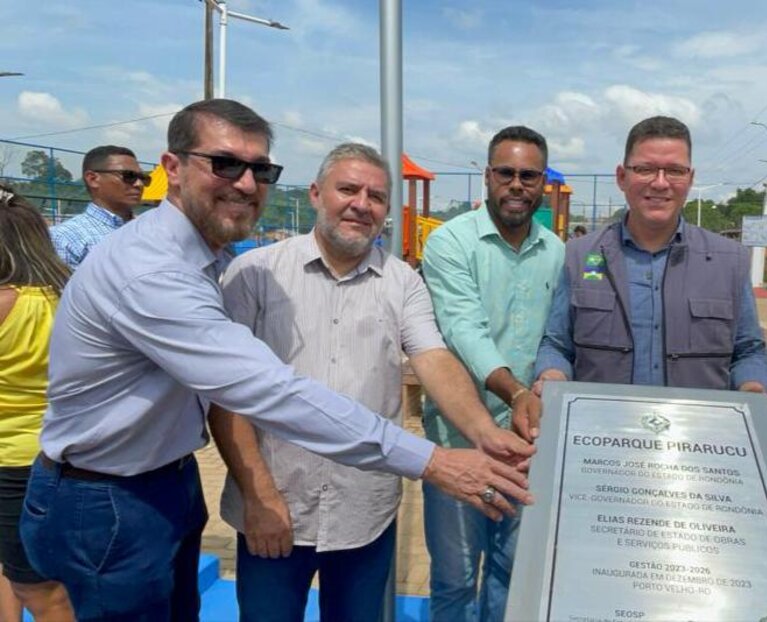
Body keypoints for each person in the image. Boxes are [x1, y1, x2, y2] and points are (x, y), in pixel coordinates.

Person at [19, 99, 532, 621]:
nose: (244, 183)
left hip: (194, 487)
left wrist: (483, 434)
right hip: (116, 497)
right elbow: (257, 390)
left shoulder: (221, 260)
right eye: (224, 163)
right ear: (172, 168)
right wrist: (433, 461)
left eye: (259, 169)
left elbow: (432, 354)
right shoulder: (179, 272)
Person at [209, 143, 534, 621]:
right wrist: (257, 496)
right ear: (317, 193)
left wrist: (485, 434)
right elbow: (225, 395)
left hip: (363, 511)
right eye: (348, 189)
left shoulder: (401, 281)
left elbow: (434, 358)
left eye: (377, 196)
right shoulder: (255, 273)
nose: (362, 204)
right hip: (276, 507)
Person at [421, 126, 564, 622]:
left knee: (514, 572)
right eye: (506, 173)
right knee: (456, 579)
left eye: (529, 175)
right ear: (487, 177)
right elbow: (465, 329)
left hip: (528, 443)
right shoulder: (449, 243)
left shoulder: (558, 251)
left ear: (543, 181)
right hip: (459, 438)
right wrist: (517, 389)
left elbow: (558, 339)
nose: (517, 185)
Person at [534, 116, 767, 402]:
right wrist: (552, 375)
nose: (660, 183)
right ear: (622, 177)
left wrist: (754, 389)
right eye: (645, 169)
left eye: (674, 171)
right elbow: (557, 345)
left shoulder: (729, 262)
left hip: (698, 437)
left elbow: (748, 351)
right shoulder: (581, 256)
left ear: (690, 179)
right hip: (601, 434)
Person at [0, 184, 74, 621]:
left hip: (11, 462)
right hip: (63, 455)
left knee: (41, 590)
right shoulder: (68, 296)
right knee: (22, 571)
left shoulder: (6, 302)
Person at [49, 145, 149, 269]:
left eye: (143, 178)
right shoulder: (65, 238)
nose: (139, 184)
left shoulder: (151, 231)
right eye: (129, 176)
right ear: (93, 179)